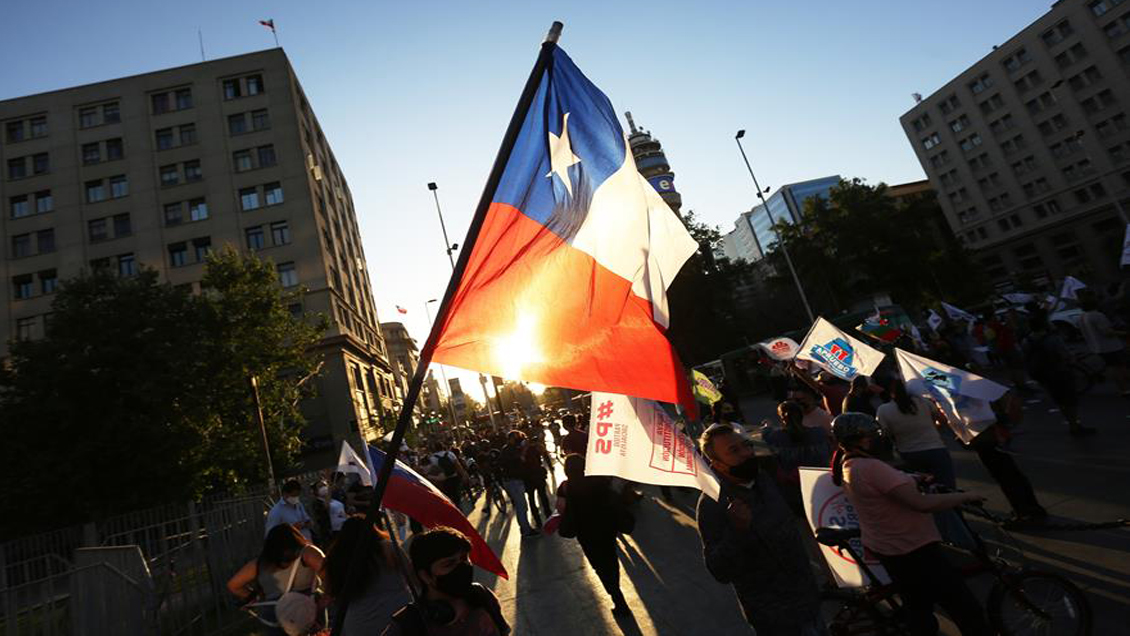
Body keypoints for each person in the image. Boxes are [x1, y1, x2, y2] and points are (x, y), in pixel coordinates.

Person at [831, 413, 989, 636]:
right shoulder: (870, 467)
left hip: (891, 546)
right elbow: (921, 503)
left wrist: (911, 479)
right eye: (872, 435)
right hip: (911, 548)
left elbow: (887, 484)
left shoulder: (848, 462)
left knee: (919, 608)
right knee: (964, 608)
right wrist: (965, 497)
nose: (878, 439)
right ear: (859, 439)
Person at [696, 424, 825, 635]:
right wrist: (739, 531)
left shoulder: (764, 479)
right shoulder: (712, 505)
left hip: (809, 600)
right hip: (775, 618)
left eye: (746, 445)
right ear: (717, 464)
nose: (746, 454)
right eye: (734, 451)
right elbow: (719, 570)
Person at [382, 527, 510, 635]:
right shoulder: (408, 623)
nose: (462, 567)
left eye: (464, 558)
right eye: (449, 564)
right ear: (425, 576)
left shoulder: (481, 594)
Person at [556, 454, 630, 614]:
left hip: (586, 533)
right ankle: (616, 590)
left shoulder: (565, 487)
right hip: (606, 527)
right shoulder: (599, 480)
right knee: (611, 559)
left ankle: (616, 596)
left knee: (599, 566)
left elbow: (560, 509)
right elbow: (615, 494)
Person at [227, 523, 326, 634]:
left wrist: (255, 598)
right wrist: (324, 601)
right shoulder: (307, 553)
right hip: (307, 612)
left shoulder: (259, 563)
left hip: (274, 615)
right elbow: (332, 575)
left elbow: (233, 585)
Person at [322, 518, 412, 635]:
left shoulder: (336, 559)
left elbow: (330, 594)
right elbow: (412, 578)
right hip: (396, 617)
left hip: (357, 624)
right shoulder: (387, 548)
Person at [1023, 310, 1096, 436]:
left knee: (1059, 400)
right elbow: (1066, 355)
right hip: (1059, 371)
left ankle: (1071, 423)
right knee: (1070, 400)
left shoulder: (1026, 340)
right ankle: (1075, 425)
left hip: (1042, 374)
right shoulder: (1053, 339)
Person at [876, 379, 954, 489]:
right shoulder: (924, 402)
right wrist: (933, 427)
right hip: (936, 449)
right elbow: (943, 420)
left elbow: (883, 433)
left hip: (909, 453)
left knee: (922, 489)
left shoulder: (883, 410)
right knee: (947, 488)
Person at [760, 401, 832, 515]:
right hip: (823, 485)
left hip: (794, 490)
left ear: (782, 418)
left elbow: (766, 434)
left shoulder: (775, 438)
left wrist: (767, 426)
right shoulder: (819, 433)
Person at [1079, 296, 1129, 396]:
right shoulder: (1098, 315)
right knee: (1119, 368)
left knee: (1114, 367)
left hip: (1097, 346)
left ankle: (1122, 388)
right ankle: (1124, 389)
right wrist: (1125, 333)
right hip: (1110, 346)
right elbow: (1107, 332)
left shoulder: (1082, 316)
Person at [499, 430, 539, 537]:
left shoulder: (508, 449)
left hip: (513, 481)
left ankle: (525, 528)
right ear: (511, 438)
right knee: (521, 506)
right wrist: (524, 449)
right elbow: (520, 459)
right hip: (514, 481)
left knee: (521, 506)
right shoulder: (509, 450)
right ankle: (526, 530)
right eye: (517, 437)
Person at [523, 435, 553, 526]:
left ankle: (538, 520)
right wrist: (550, 466)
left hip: (528, 477)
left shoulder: (521, 451)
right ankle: (548, 516)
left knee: (532, 499)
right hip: (537, 475)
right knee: (543, 496)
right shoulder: (536, 448)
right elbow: (545, 455)